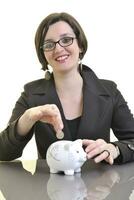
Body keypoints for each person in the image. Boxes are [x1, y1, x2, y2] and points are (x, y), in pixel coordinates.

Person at [0, 12, 134, 165]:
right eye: (49, 44)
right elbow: (3, 153)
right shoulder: (31, 95)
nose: (58, 49)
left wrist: (115, 149)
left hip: (100, 186)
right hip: (49, 187)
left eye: (66, 40)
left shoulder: (110, 91)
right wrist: (27, 119)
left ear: (81, 45)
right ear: (43, 54)